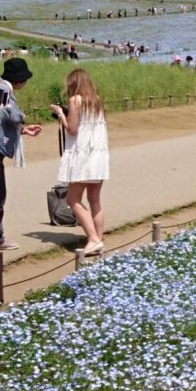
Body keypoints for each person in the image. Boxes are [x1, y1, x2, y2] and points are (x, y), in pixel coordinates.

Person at [0, 57, 41, 256]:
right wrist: (21, 117)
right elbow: (2, 114)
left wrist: (21, 130)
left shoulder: (1, 89)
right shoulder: (1, 90)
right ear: (20, 80)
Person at [51, 67, 110, 256]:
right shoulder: (96, 101)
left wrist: (61, 113)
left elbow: (72, 129)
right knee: (95, 200)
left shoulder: (74, 100)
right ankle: (98, 239)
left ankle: (93, 238)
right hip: (98, 156)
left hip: (83, 157)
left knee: (73, 199)